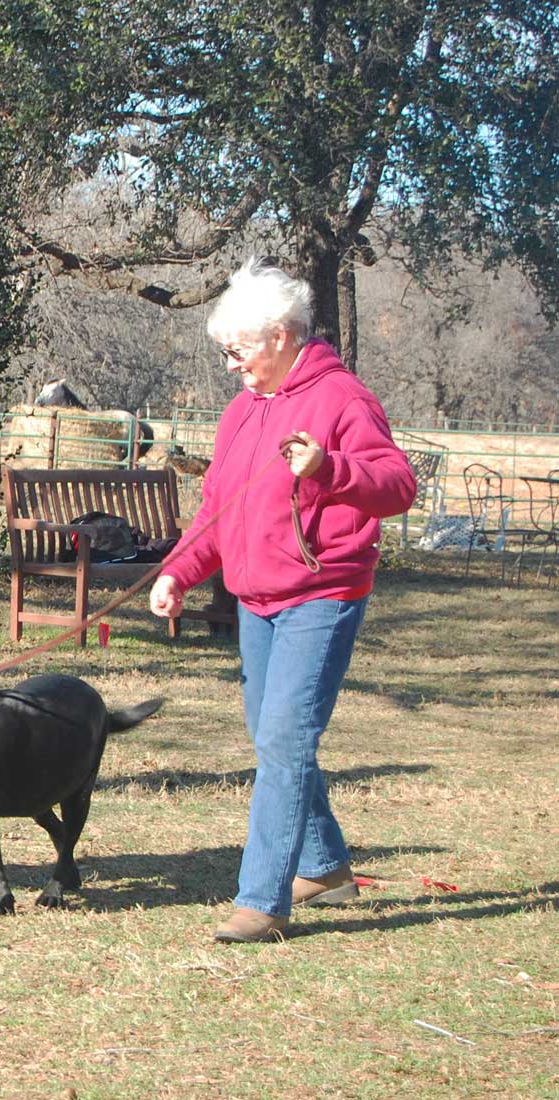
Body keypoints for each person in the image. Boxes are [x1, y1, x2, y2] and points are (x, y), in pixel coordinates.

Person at [149, 258, 416, 943]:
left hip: (321, 595)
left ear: (277, 336)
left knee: (284, 742)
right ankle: (325, 866)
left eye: (236, 351)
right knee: (275, 740)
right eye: (225, 352)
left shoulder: (342, 398)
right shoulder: (243, 411)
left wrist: (331, 468)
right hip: (255, 600)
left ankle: (262, 902)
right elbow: (218, 510)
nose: (231, 365)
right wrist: (179, 573)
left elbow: (396, 486)